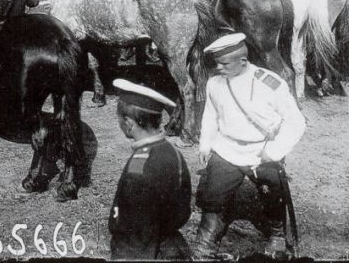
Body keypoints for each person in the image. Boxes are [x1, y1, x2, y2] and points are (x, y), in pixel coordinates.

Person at [192, 32, 305, 260]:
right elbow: (211, 116)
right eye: (216, 63)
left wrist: (273, 152)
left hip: (261, 151)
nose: (219, 68)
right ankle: (204, 245)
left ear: (242, 61)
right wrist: (206, 144)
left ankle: (277, 235)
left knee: (273, 193)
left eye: (224, 64)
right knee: (213, 197)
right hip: (227, 149)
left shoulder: (270, 84)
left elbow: (296, 122)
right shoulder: (215, 83)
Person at [109, 71, 191, 260]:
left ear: (129, 123)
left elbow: (136, 237)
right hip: (172, 243)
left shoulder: (139, 168)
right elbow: (182, 210)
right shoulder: (173, 152)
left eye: (120, 118)